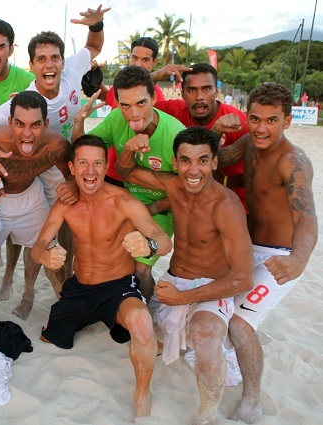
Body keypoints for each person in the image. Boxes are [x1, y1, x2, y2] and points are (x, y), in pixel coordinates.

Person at [0, 5, 108, 296]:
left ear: (63, 60)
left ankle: (69, 279)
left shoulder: (72, 70)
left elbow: (94, 45)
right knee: (31, 217)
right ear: (31, 65)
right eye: (41, 59)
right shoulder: (26, 103)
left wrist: (96, 24)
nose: (49, 64)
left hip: (63, 154)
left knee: (71, 212)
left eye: (54, 57)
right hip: (38, 161)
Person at [116, 126, 253, 425]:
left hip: (210, 286)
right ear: (175, 162)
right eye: (186, 160)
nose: (193, 170)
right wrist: (130, 148)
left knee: (204, 336)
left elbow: (243, 278)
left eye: (202, 160)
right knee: (141, 336)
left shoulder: (227, 205)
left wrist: (184, 298)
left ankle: (207, 416)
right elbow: (126, 171)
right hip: (174, 282)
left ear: (214, 163)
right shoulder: (174, 186)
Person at [32, 134, 172, 419]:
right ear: (72, 168)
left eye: (97, 163)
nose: (90, 171)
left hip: (117, 288)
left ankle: (142, 392)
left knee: (141, 322)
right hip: (80, 288)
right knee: (49, 338)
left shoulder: (123, 201)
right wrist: (45, 256)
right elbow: (38, 245)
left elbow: (164, 241)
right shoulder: (65, 203)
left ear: (106, 167)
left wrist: (148, 245)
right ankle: (93, 320)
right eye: (83, 163)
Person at [217, 83, 318, 424]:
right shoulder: (248, 143)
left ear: (287, 121)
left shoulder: (294, 162)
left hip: (280, 257)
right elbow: (214, 160)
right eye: (255, 119)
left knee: (239, 323)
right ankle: (230, 359)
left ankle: (252, 400)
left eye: (271, 120)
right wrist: (215, 132)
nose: (261, 128)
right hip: (247, 246)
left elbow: (307, 217)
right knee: (217, 306)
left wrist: (298, 259)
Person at [70, 65, 185, 300]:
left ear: (154, 98)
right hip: (126, 200)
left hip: (161, 207)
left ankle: (144, 310)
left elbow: (186, 191)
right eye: (125, 105)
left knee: (141, 269)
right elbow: (84, 152)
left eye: (141, 103)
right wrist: (79, 122)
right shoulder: (115, 119)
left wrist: (151, 208)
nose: (134, 113)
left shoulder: (175, 134)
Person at [0, 91, 73, 320]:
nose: (27, 133)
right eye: (20, 124)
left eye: (35, 125)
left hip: (31, 196)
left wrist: (71, 186)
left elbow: (70, 174)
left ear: (46, 124)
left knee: (42, 248)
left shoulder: (58, 146)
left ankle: (29, 295)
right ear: (10, 121)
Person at [153, 63, 248, 208]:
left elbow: (261, 170)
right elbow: (134, 102)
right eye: (192, 90)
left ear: (216, 91)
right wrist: (154, 76)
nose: (199, 97)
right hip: (189, 201)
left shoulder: (238, 121)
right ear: (182, 94)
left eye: (206, 89)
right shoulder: (174, 110)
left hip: (234, 204)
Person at [102, 36, 191, 187]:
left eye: (145, 60)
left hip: (141, 178)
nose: (138, 64)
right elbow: (108, 99)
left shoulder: (158, 96)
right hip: (112, 172)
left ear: (154, 62)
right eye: (134, 58)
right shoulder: (118, 88)